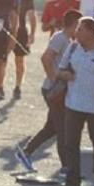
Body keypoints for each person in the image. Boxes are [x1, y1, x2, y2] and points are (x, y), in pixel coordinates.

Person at [15, 9, 82, 173]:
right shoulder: (60, 38)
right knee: (63, 130)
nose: (80, 30)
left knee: (51, 128)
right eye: (79, 26)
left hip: (59, 91)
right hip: (53, 91)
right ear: (73, 25)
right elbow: (46, 58)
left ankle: (25, 152)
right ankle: (67, 167)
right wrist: (54, 78)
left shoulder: (70, 40)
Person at [56, 17, 94, 186]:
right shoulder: (73, 47)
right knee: (71, 143)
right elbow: (60, 69)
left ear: (91, 32)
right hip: (73, 104)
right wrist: (64, 75)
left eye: (81, 29)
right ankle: (72, 181)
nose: (77, 32)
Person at [8, 0, 37, 99]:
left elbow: (32, 16)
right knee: (1, 60)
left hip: (21, 32)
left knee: (19, 61)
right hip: (5, 31)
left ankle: (18, 86)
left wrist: (32, 33)